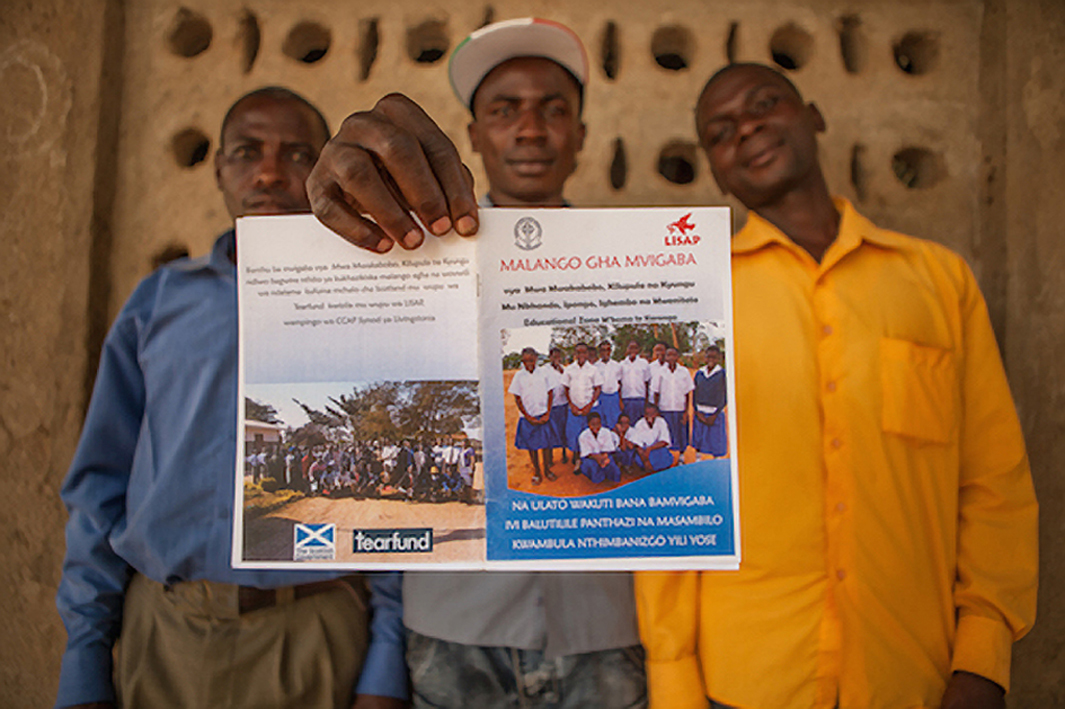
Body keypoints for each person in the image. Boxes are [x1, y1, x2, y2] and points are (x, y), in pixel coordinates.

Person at [633, 63, 1039, 708]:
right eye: (722, 130)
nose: (749, 130)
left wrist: (984, 653)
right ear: (714, 165)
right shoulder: (698, 300)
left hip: (914, 670)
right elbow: (672, 502)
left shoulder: (938, 282)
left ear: (814, 115)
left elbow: (994, 482)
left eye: (766, 104)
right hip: (747, 676)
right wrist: (674, 676)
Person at [327, 19, 645, 709]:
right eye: (503, 110)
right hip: (449, 627)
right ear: (469, 136)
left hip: (610, 628)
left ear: (582, 136)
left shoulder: (644, 272)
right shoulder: (405, 263)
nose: (530, 129)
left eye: (553, 109)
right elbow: (386, 449)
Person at [55, 88, 407, 709]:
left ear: (329, 173)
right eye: (247, 152)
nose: (269, 173)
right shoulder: (160, 301)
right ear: (218, 167)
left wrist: (383, 664)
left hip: (316, 633)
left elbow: (392, 510)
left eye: (298, 155)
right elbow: (99, 487)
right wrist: (85, 654)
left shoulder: (370, 302)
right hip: (164, 632)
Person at [508, 347, 556, 485]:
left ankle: (547, 470)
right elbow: (517, 398)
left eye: (531, 359)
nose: (528, 363)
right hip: (527, 417)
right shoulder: (519, 376)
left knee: (546, 445)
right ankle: (537, 471)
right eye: (525, 360)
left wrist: (547, 413)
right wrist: (528, 417)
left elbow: (550, 393)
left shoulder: (544, 373)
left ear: (536, 358)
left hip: (543, 415)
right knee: (532, 447)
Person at [561, 342, 604, 460]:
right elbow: (566, 388)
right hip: (574, 408)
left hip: (590, 408)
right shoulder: (569, 369)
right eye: (578, 352)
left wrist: (589, 405)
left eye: (584, 352)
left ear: (587, 353)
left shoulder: (593, 369)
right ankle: (577, 458)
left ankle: (590, 457)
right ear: (575, 353)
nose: (581, 355)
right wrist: (571, 405)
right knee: (574, 433)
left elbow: (598, 388)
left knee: (590, 434)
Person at [652, 346, 694, 461]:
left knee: (681, 433)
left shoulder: (684, 371)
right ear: (665, 357)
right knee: (667, 434)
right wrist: (657, 410)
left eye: (673, 355)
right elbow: (656, 392)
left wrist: (686, 412)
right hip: (665, 408)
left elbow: (687, 393)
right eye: (668, 355)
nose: (671, 357)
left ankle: (681, 456)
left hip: (679, 408)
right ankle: (668, 458)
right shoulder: (660, 372)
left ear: (677, 357)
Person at [691, 345, 727, 458]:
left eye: (714, 357)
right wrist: (697, 412)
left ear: (719, 358)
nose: (711, 359)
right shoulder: (699, 373)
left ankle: (717, 462)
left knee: (715, 441)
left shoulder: (722, 374)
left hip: (715, 413)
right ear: (705, 358)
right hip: (700, 412)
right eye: (708, 357)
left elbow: (725, 396)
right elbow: (695, 393)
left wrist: (715, 414)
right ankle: (698, 461)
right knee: (699, 439)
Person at [628, 403, 674, 473]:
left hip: (657, 449)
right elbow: (637, 445)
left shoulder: (661, 421)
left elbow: (665, 441)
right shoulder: (639, 423)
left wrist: (650, 448)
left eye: (652, 413)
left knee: (665, 459)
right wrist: (646, 461)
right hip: (644, 452)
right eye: (647, 414)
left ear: (657, 414)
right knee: (640, 461)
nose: (649, 416)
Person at [576, 412, 622, 484]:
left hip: (605, 455)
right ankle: (598, 479)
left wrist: (603, 458)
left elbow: (609, 449)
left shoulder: (606, 432)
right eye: (593, 424)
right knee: (592, 466)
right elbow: (587, 453)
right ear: (588, 424)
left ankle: (610, 478)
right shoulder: (583, 435)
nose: (596, 427)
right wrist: (599, 459)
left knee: (614, 469)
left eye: (598, 424)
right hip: (591, 458)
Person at [618, 339, 652, 424]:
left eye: (635, 348)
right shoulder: (622, 364)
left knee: (640, 423)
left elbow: (647, 382)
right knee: (627, 423)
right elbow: (619, 383)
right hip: (626, 398)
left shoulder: (644, 363)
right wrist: (620, 400)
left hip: (640, 398)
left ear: (638, 349)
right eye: (630, 348)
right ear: (627, 349)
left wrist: (646, 401)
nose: (633, 350)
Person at [594, 340, 624, 428]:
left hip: (613, 397)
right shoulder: (595, 367)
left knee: (614, 421)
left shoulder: (617, 365)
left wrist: (620, 400)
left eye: (607, 350)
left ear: (610, 351)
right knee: (602, 421)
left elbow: (619, 383)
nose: (605, 352)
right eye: (603, 350)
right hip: (601, 396)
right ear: (599, 352)